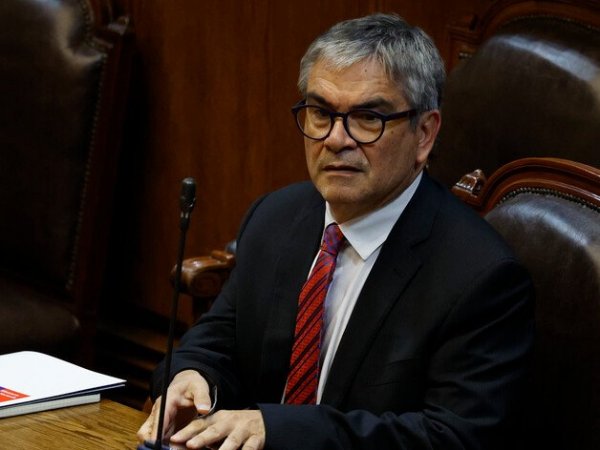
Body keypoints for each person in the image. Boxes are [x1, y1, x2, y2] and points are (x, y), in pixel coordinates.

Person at [138, 13, 533, 450]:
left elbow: (452, 438)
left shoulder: (479, 277)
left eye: (367, 117)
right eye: (321, 113)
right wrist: (193, 376)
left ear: (424, 134)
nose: (336, 139)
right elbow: (216, 342)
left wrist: (281, 431)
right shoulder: (275, 217)